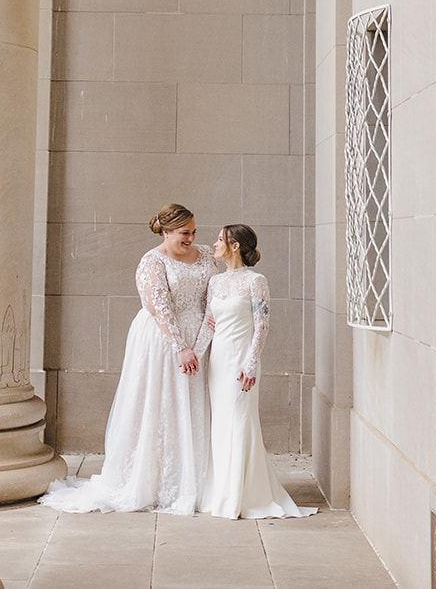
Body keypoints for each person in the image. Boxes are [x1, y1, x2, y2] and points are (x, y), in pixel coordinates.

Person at [39, 203, 221, 514]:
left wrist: (203, 339)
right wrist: (181, 346)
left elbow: (214, 296)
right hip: (163, 340)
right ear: (165, 231)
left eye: (193, 232)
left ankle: (194, 479)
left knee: (193, 402)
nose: (191, 238)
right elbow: (158, 307)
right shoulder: (152, 262)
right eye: (183, 233)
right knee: (159, 404)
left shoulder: (205, 255)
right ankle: (154, 482)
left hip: (200, 336)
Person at [195, 224, 316, 519]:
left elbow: (261, 325)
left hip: (241, 362)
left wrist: (250, 364)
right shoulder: (215, 282)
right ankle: (221, 493)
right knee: (221, 425)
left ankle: (242, 496)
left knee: (240, 421)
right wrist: (194, 356)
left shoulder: (256, 280)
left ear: (234, 246)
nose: (214, 244)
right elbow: (209, 325)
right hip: (218, 363)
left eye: (219, 240)